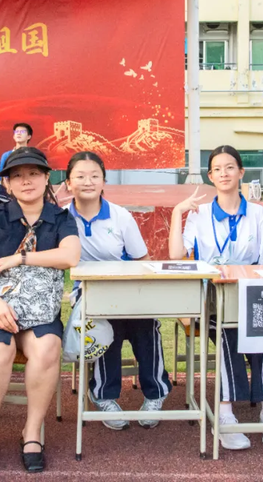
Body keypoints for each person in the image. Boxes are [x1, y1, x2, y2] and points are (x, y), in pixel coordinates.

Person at [0, 147, 80, 477]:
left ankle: (32, 433)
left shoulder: (61, 218)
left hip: (36, 313)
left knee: (48, 346)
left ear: (47, 178)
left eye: (34, 174)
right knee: (0, 349)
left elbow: (70, 256)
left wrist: (19, 258)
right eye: (18, 176)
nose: (26, 181)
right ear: (7, 184)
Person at [168, 145, 263, 451]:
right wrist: (178, 212)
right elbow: (176, 256)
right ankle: (226, 414)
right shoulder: (200, 215)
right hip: (213, 301)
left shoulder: (259, 215)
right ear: (210, 176)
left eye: (230, 167)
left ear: (241, 172)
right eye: (217, 169)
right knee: (228, 333)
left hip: (250, 296)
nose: (224, 173)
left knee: (262, 330)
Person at [64, 151, 171, 430]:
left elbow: (142, 260)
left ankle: (155, 394)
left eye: (94, 176)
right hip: (90, 295)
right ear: (68, 183)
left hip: (128, 290)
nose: (88, 181)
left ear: (104, 181)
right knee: (103, 327)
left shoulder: (120, 216)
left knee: (146, 326)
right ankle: (104, 395)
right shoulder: (62, 218)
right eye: (80, 176)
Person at [0, 123, 34, 206]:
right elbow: (3, 176)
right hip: (10, 189)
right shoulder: (6, 155)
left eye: (22, 131)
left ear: (29, 136)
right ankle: (10, 200)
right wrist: (9, 188)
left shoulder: (33, 155)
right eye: (16, 132)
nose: (19, 133)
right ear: (13, 136)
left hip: (27, 187)